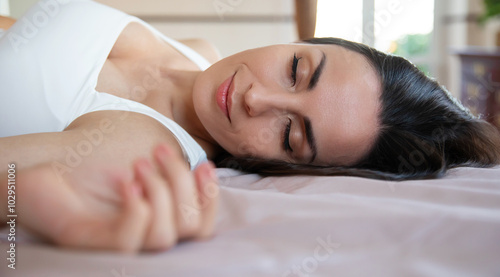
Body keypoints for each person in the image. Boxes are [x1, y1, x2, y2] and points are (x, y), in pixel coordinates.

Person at [1, 0, 499, 253]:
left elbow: (19, 187)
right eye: (296, 70)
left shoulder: (149, 145)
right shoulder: (199, 50)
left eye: (290, 135)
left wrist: (74, 221)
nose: (256, 98)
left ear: (278, 167)